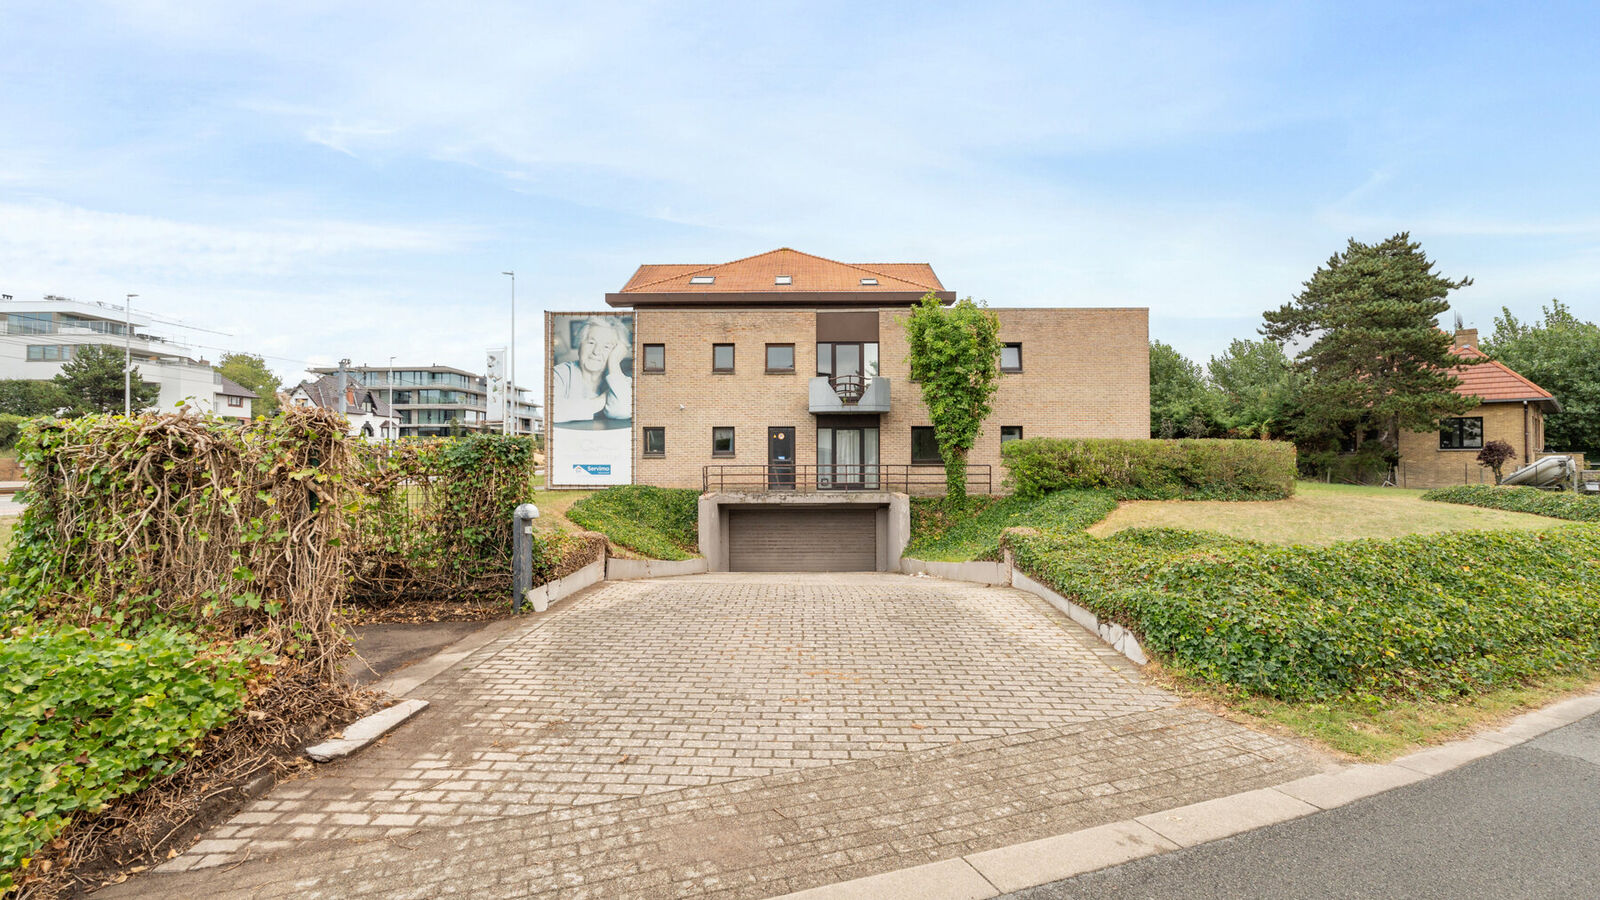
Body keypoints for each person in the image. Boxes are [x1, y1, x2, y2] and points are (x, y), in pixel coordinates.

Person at [552, 317, 631, 423]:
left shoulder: (622, 381)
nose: (596, 351)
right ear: (580, 345)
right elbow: (550, 411)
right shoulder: (558, 374)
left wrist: (614, 362)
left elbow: (624, 411)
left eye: (606, 347)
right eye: (591, 342)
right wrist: (602, 399)